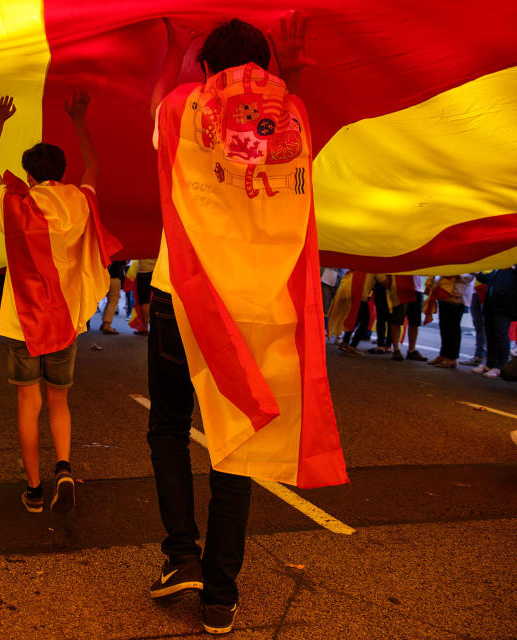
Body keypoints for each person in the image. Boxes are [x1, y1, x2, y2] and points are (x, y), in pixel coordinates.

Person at [147, 14, 347, 635]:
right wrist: (286, 72)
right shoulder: (294, 119)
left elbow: (158, 107)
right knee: (238, 445)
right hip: (255, 306)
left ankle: (183, 555)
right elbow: (259, 141)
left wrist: (175, 50)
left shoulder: (184, 110)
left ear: (206, 69)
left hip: (182, 297)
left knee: (169, 429)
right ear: (263, 70)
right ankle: (221, 594)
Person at [0, 90, 119, 515]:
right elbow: (94, 166)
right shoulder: (79, 200)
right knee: (59, 400)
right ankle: (63, 465)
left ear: (29, 172)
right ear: (62, 172)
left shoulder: (15, 203)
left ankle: (35, 489)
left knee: (29, 404)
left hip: (22, 323)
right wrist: (80, 118)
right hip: (64, 322)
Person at [424, 274, 474, 368]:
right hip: (443, 295)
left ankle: (452, 358)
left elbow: (468, 277)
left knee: (453, 328)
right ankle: (443, 355)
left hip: (457, 298)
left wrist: (455, 273)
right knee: (444, 327)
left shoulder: (469, 263)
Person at [100, 261, 126, 334]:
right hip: (114, 278)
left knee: (109, 301)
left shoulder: (107, 250)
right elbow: (125, 263)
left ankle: (104, 323)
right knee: (113, 301)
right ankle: (107, 324)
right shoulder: (119, 252)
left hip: (104, 277)